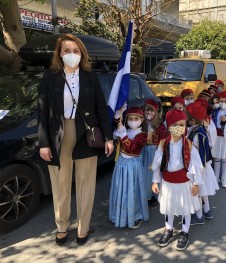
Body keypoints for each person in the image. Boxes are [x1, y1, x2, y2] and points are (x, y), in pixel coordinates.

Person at [38, 34, 114, 246]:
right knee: (60, 185)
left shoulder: (90, 76)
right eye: (67, 51)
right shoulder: (50, 77)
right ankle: (62, 226)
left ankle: (83, 227)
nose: (71, 55)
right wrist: (43, 142)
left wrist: (108, 137)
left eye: (76, 51)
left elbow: (101, 107)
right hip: (58, 135)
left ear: (82, 54)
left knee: (85, 185)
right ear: (59, 54)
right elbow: (42, 111)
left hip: (86, 135)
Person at [151, 109, 203, 251]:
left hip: (184, 182)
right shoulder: (163, 144)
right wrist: (155, 181)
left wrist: (196, 183)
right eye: (175, 124)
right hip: (168, 182)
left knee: (186, 208)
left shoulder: (189, 144)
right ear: (168, 126)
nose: (179, 127)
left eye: (182, 124)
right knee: (169, 207)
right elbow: (157, 163)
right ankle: (168, 229)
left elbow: (196, 165)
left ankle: (185, 232)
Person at [109, 107, 149, 228]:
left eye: (136, 119)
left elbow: (132, 148)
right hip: (121, 164)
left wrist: (123, 133)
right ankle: (119, 214)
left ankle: (135, 215)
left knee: (132, 190)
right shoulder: (125, 130)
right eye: (130, 119)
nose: (133, 121)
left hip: (132, 166)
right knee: (120, 188)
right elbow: (116, 134)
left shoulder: (142, 135)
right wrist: (118, 118)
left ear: (141, 120)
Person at [187, 100, 219, 225]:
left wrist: (196, 169)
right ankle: (207, 210)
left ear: (192, 121)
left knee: (198, 192)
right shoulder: (200, 129)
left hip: (199, 167)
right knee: (203, 191)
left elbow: (197, 153)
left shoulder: (196, 133)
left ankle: (199, 216)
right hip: (204, 166)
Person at [141, 99, 167, 206]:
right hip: (144, 152)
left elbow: (163, 140)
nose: (149, 113)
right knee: (144, 173)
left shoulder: (160, 126)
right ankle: (145, 194)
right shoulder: (141, 124)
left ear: (156, 113)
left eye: (151, 111)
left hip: (154, 152)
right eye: (147, 110)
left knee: (153, 172)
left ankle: (154, 195)